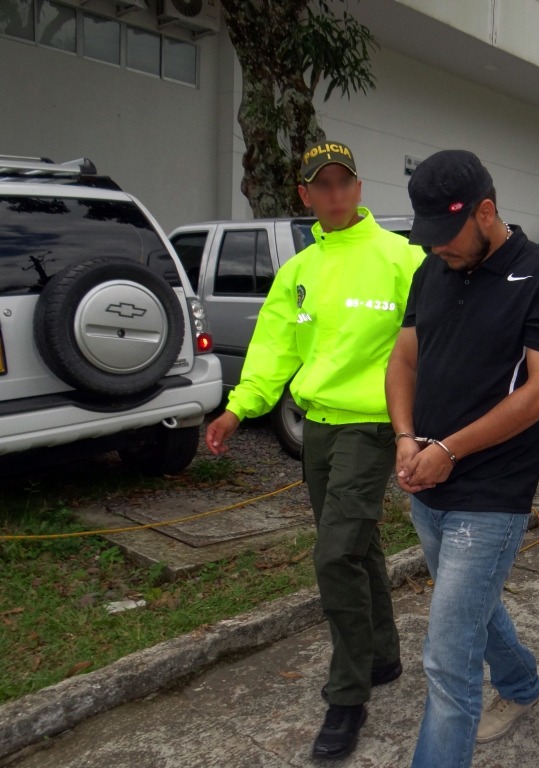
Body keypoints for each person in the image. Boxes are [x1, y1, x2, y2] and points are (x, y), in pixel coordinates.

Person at [205, 140, 423, 761]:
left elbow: (435, 342)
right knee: (359, 543)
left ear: (358, 188)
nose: (334, 193)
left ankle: (348, 695)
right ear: (304, 195)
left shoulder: (402, 259)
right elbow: (275, 351)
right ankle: (382, 656)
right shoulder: (297, 273)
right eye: (320, 185)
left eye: (343, 182)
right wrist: (237, 408)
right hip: (319, 432)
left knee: (333, 555)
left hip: (374, 426)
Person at [385, 149, 539, 768]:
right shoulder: (430, 271)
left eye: (447, 234)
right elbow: (404, 360)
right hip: (429, 484)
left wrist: (449, 449)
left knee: (448, 654)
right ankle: (521, 684)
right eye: (429, 238)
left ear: (487, 211)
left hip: (492, 492)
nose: (437, 248)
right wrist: (406, 438)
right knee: (470, 606)